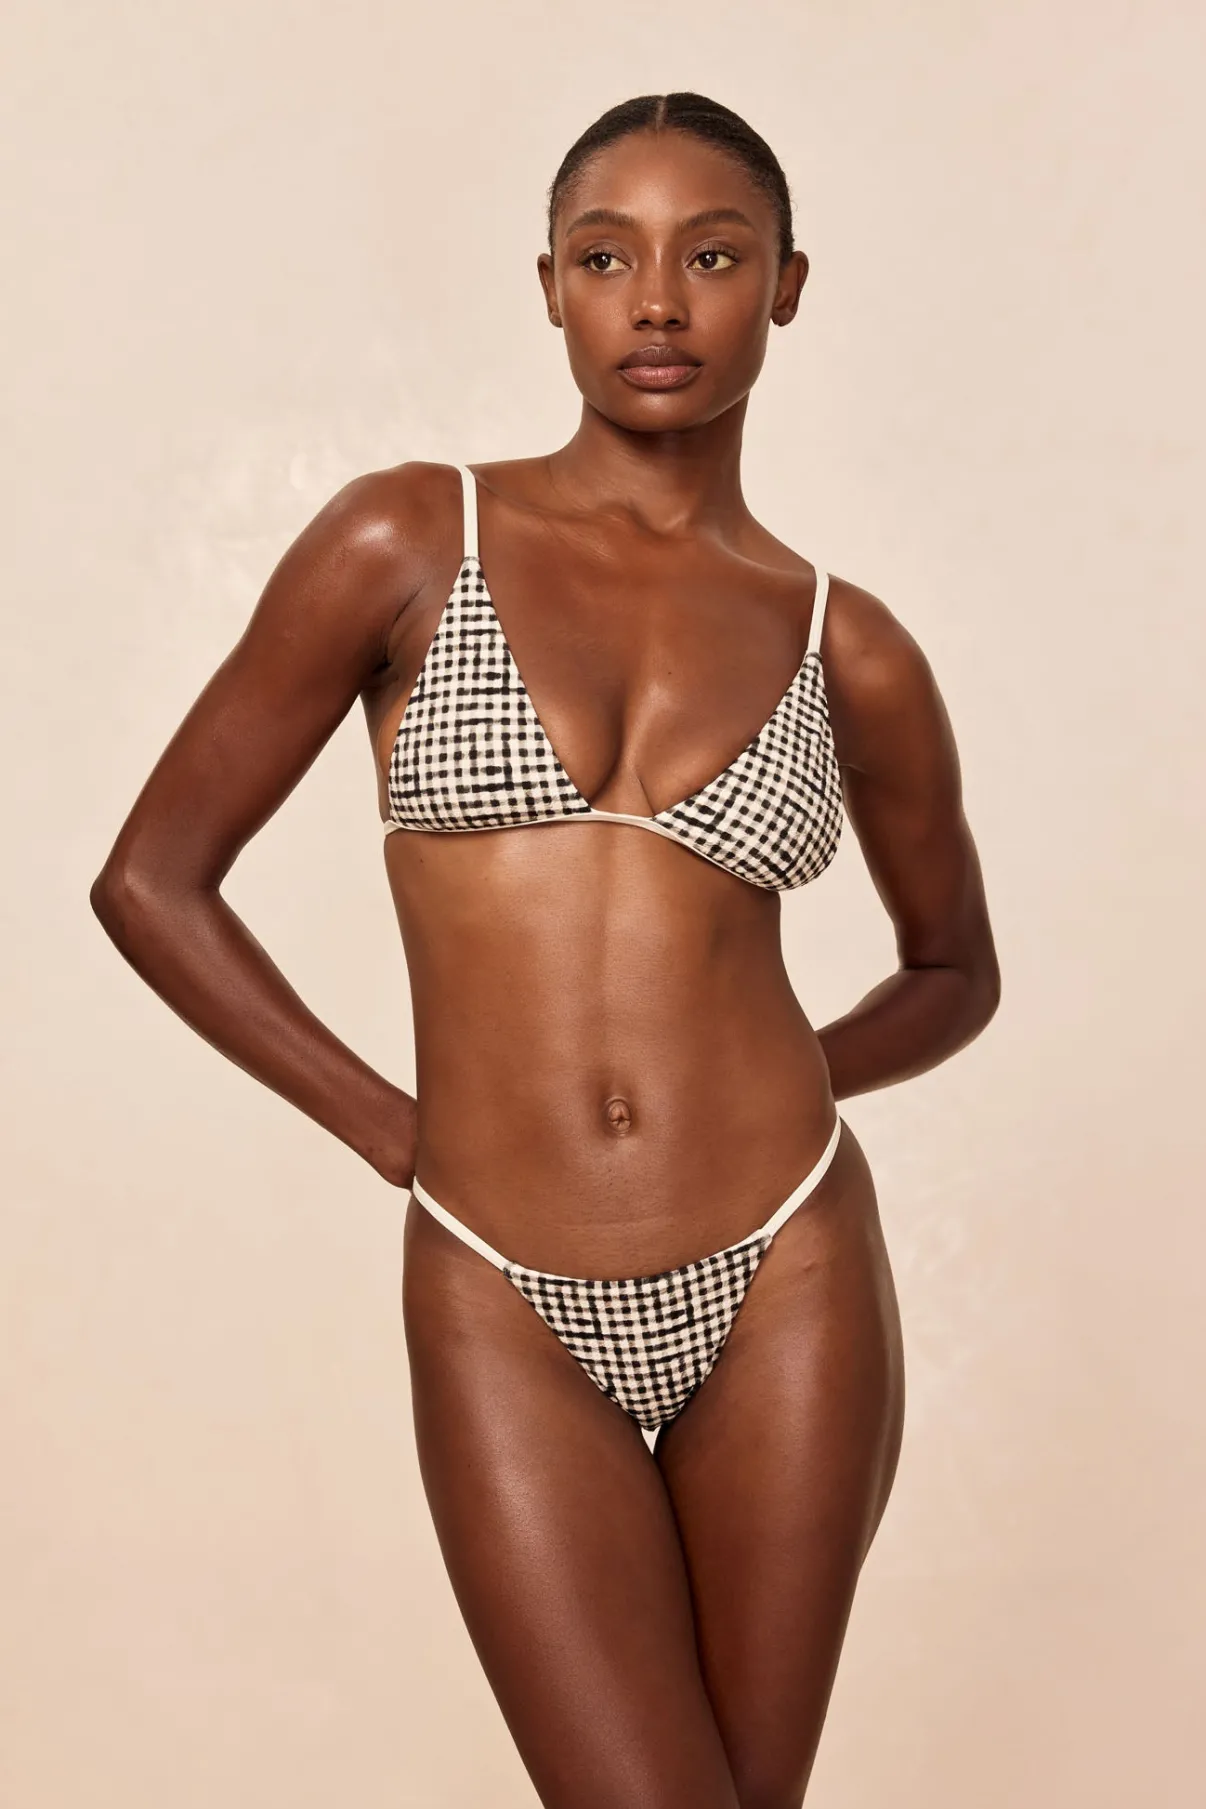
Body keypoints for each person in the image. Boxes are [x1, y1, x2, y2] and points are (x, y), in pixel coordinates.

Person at [91, 89, 1000, 1809]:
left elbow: (955, 972)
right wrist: (389, 1127)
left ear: (785, 286)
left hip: (786, 1266)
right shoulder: (406, 537)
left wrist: (785, 1070)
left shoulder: (848, 644)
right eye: (604, 257)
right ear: (550, 288)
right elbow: (153, 881)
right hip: (496, 1274)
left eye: (710, 258)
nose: (655, 300)